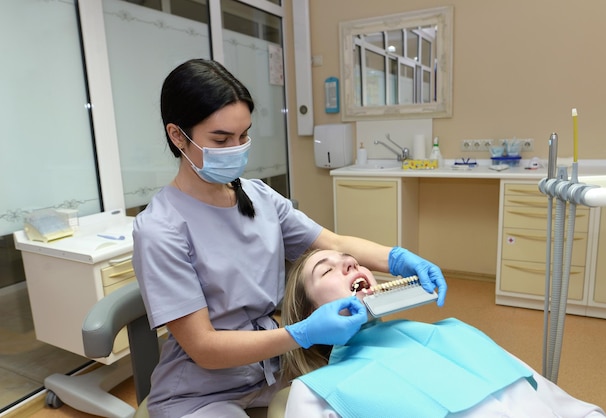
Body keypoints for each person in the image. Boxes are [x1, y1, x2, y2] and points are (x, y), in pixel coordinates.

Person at [131, 58, 447, 418]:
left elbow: (335, 243)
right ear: (177, 136)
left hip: (274, 370)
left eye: (244, 135)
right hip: (201, 392)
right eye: (221, 139)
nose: (237, 148)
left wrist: (397, 258)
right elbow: (204, 347)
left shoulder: (259, 197)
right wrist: (301, 334)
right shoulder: (161, 229)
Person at [280, 249, 606, 418]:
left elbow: (551, 398)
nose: (350, 265)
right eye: (327, 270)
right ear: (309, 314)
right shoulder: (315, 391)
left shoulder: (453, 333)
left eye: (350, 260)